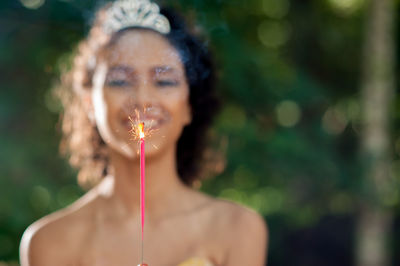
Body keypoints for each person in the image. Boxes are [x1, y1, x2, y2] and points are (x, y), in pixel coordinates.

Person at [19, 0, 268, 265]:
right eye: (120, 81)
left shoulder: (236, 229)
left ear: (189, 106)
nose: (142, 100)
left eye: (164, 81)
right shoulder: (49, 242)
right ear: (90, 102)